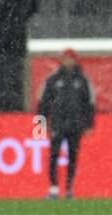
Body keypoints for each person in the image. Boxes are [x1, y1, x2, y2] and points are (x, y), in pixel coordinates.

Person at [37, 49, 95, 200]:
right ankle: (54, 188)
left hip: (75, 125)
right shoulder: (53, 79)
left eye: (71, 59)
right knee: (53, 156)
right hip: (57, 124)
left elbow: (89, 104)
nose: (68, 61)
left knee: (73, 157)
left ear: (75, 60)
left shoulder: (82, 80)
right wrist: (40, 128)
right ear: (62, 60)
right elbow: (42, 104)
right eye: (65, 59)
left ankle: (69, 189)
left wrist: (89, 125)